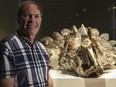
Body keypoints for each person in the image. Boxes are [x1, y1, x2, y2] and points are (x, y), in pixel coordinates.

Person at [0, 0, 53, 87]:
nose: (32, 20)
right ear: (18, 19)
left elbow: (48, 80)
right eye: (27, 15)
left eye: (37, 16)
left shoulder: (41, 48)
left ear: (41, 20)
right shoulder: (6, 47)